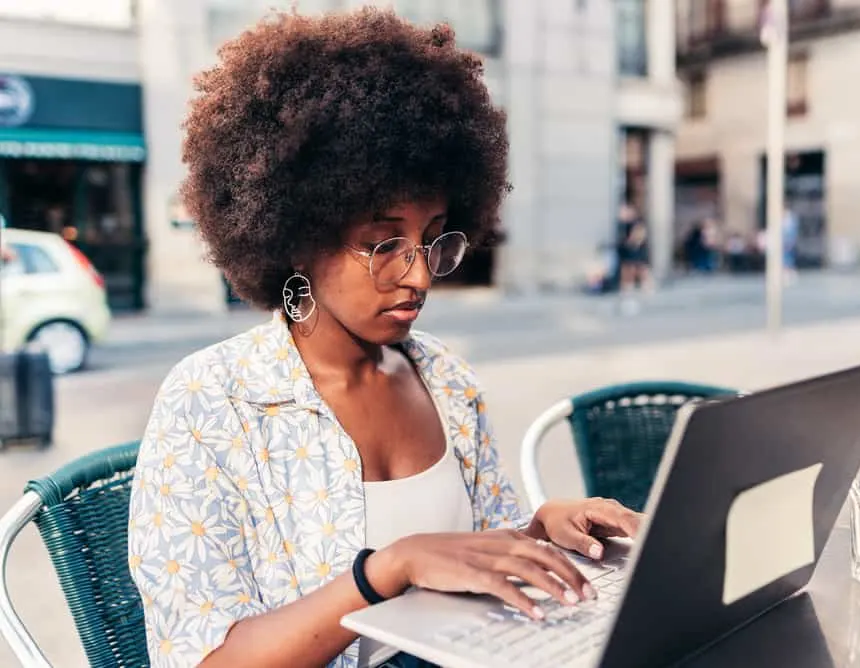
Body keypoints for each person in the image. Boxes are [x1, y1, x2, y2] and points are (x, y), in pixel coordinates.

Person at [126, 9, 642, 668]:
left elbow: (472, 557)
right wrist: (384, 571)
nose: (419, 274)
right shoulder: (212, 403)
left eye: (432, 239)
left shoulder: (446, 380)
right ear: (295, 232)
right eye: (382, 243)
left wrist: (538, 532)